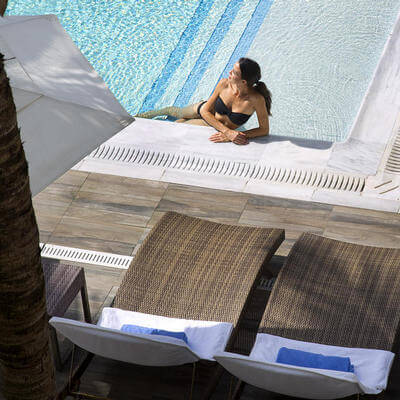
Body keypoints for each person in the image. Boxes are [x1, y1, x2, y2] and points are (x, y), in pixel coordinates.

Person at [136, 58, 271, 145]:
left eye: (234, 72)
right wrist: (227, 132)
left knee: (179, 124)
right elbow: (205, 110)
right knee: (177, 112)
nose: (229, 72)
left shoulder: (256, 100)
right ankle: (152, 114)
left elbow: (264, 130)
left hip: (211, 123)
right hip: (204, 109)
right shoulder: (224, 84)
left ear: (243, 82)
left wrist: (237, 134)